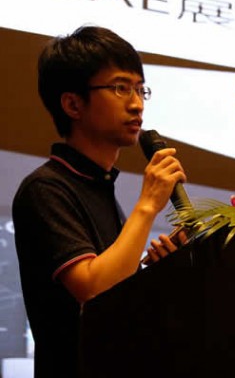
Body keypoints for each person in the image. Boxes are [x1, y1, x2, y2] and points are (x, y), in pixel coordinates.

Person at [12, 25, 185, 378]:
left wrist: (157, 273)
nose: (137, 103)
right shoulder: (46, 188)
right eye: (120, 88)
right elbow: (93, 291)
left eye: (140, 89)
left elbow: (117, 306)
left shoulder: (99, 187)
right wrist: (148, 204)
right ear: (73, 104)